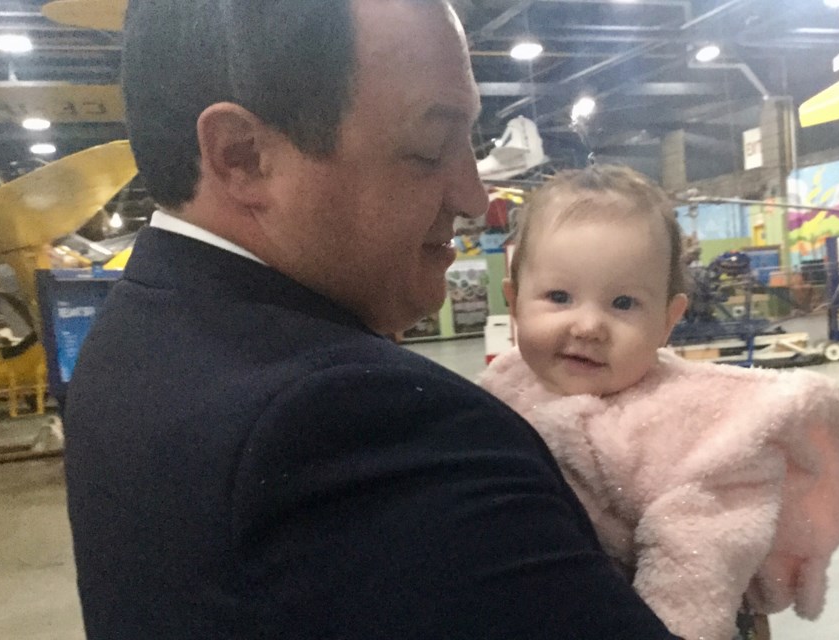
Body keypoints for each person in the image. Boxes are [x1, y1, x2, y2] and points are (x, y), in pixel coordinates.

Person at [62, 2, 681, 638]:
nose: (474, 198)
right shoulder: (357, 423)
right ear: (243, 156)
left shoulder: (133, 337)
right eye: (430, 148)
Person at [479, 165, 839, 640]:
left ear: (668, 320)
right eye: (559, 297)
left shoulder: (688, 422)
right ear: (514, 304)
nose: (588, 326)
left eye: (623, 304)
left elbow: (701, 559)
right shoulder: (501, 388)